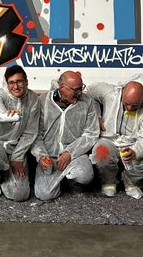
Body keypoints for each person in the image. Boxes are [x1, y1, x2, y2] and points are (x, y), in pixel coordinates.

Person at [87, 75, 143, 199]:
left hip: (133, 143)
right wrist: (96, 115)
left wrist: (136, 150)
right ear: (122, 91)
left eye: (135, 106)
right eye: (126, 104)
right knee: (100, 152)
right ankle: (109, 181)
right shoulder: (109, 92)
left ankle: (131, 180)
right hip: (109, 140)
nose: (129, 108)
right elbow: (89, 92)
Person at [31, 71, 99, 201]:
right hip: (49, 156)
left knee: (84, 175)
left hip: (75, 155)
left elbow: (91, 134)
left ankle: (72, 182)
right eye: (76, 89)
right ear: (62, 87)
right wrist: (41, 156)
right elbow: (35, 134)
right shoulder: (42, 102)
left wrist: (70, 152)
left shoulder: (87, 103)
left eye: (81, 88)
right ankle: (59, 179)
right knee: (44, 194)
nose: (80, 93)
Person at [0, 65, 39, 201]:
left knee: (20, 195)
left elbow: (30, 133)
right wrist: (5, 114)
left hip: (17, 146)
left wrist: (17, 157)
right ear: (7, 84)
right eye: (11, 83)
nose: (16, 86)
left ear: (26, 82)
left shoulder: (32, 98)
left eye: (19, 81)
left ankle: (6, 176)